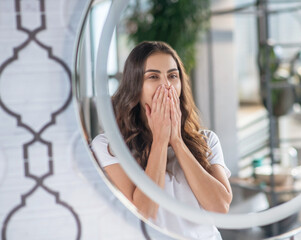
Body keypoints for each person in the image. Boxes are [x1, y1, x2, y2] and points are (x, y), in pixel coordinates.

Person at [92, 41, 232, 240]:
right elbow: (143, 214)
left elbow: (220, 208)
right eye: (153, 76)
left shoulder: (207, 140)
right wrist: (160, 140)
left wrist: (176, 141)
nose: (166, 85)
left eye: (173, 76)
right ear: (135, 87)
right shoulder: (109, 146)